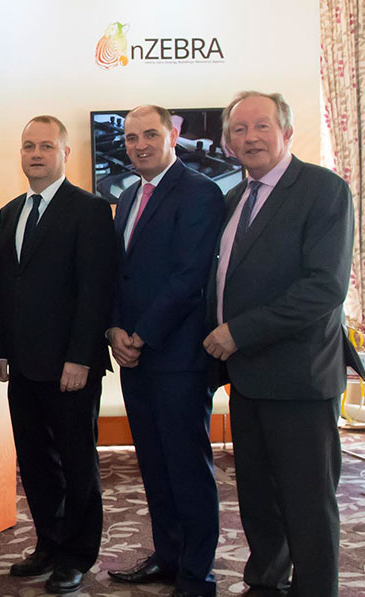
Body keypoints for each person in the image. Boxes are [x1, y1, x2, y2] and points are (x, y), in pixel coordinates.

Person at [204, 91, 362, 597]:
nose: (250, 137)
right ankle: (266, 581)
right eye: (239, 130)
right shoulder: (234, 197)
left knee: (307, 502)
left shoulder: (323, 190)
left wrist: (237, 332)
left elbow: (323, 288)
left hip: (299, 378)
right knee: (258, 497)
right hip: (248, 378)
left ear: (287, 132)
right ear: (228, 142)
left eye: (261, 126)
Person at [0, 115, 118, 594]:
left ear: (66, 153)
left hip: (71, 365)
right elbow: (7, 286)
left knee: (77, 461)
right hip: (21, 365)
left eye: (46, 146)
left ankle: (77, 555)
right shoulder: (10, 212)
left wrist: (81, 357)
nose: (36, 154)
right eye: (28, 146)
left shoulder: (89, 209)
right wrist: (0, 348)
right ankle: (48, 543)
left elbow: (94, 290)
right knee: (36, 461)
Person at [106, 105, 224, 597]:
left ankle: (196, 573)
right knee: (153, 463)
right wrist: (114, 328)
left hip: (176, 357)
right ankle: (167, 555)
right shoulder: (129, 194)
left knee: (186, 466)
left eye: (149, 135)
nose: (139, 145)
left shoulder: (200, 191)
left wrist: (142, 334)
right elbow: (118, 271)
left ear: (172, 135)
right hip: (134, 356)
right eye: (131, 138)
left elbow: (189, 276)